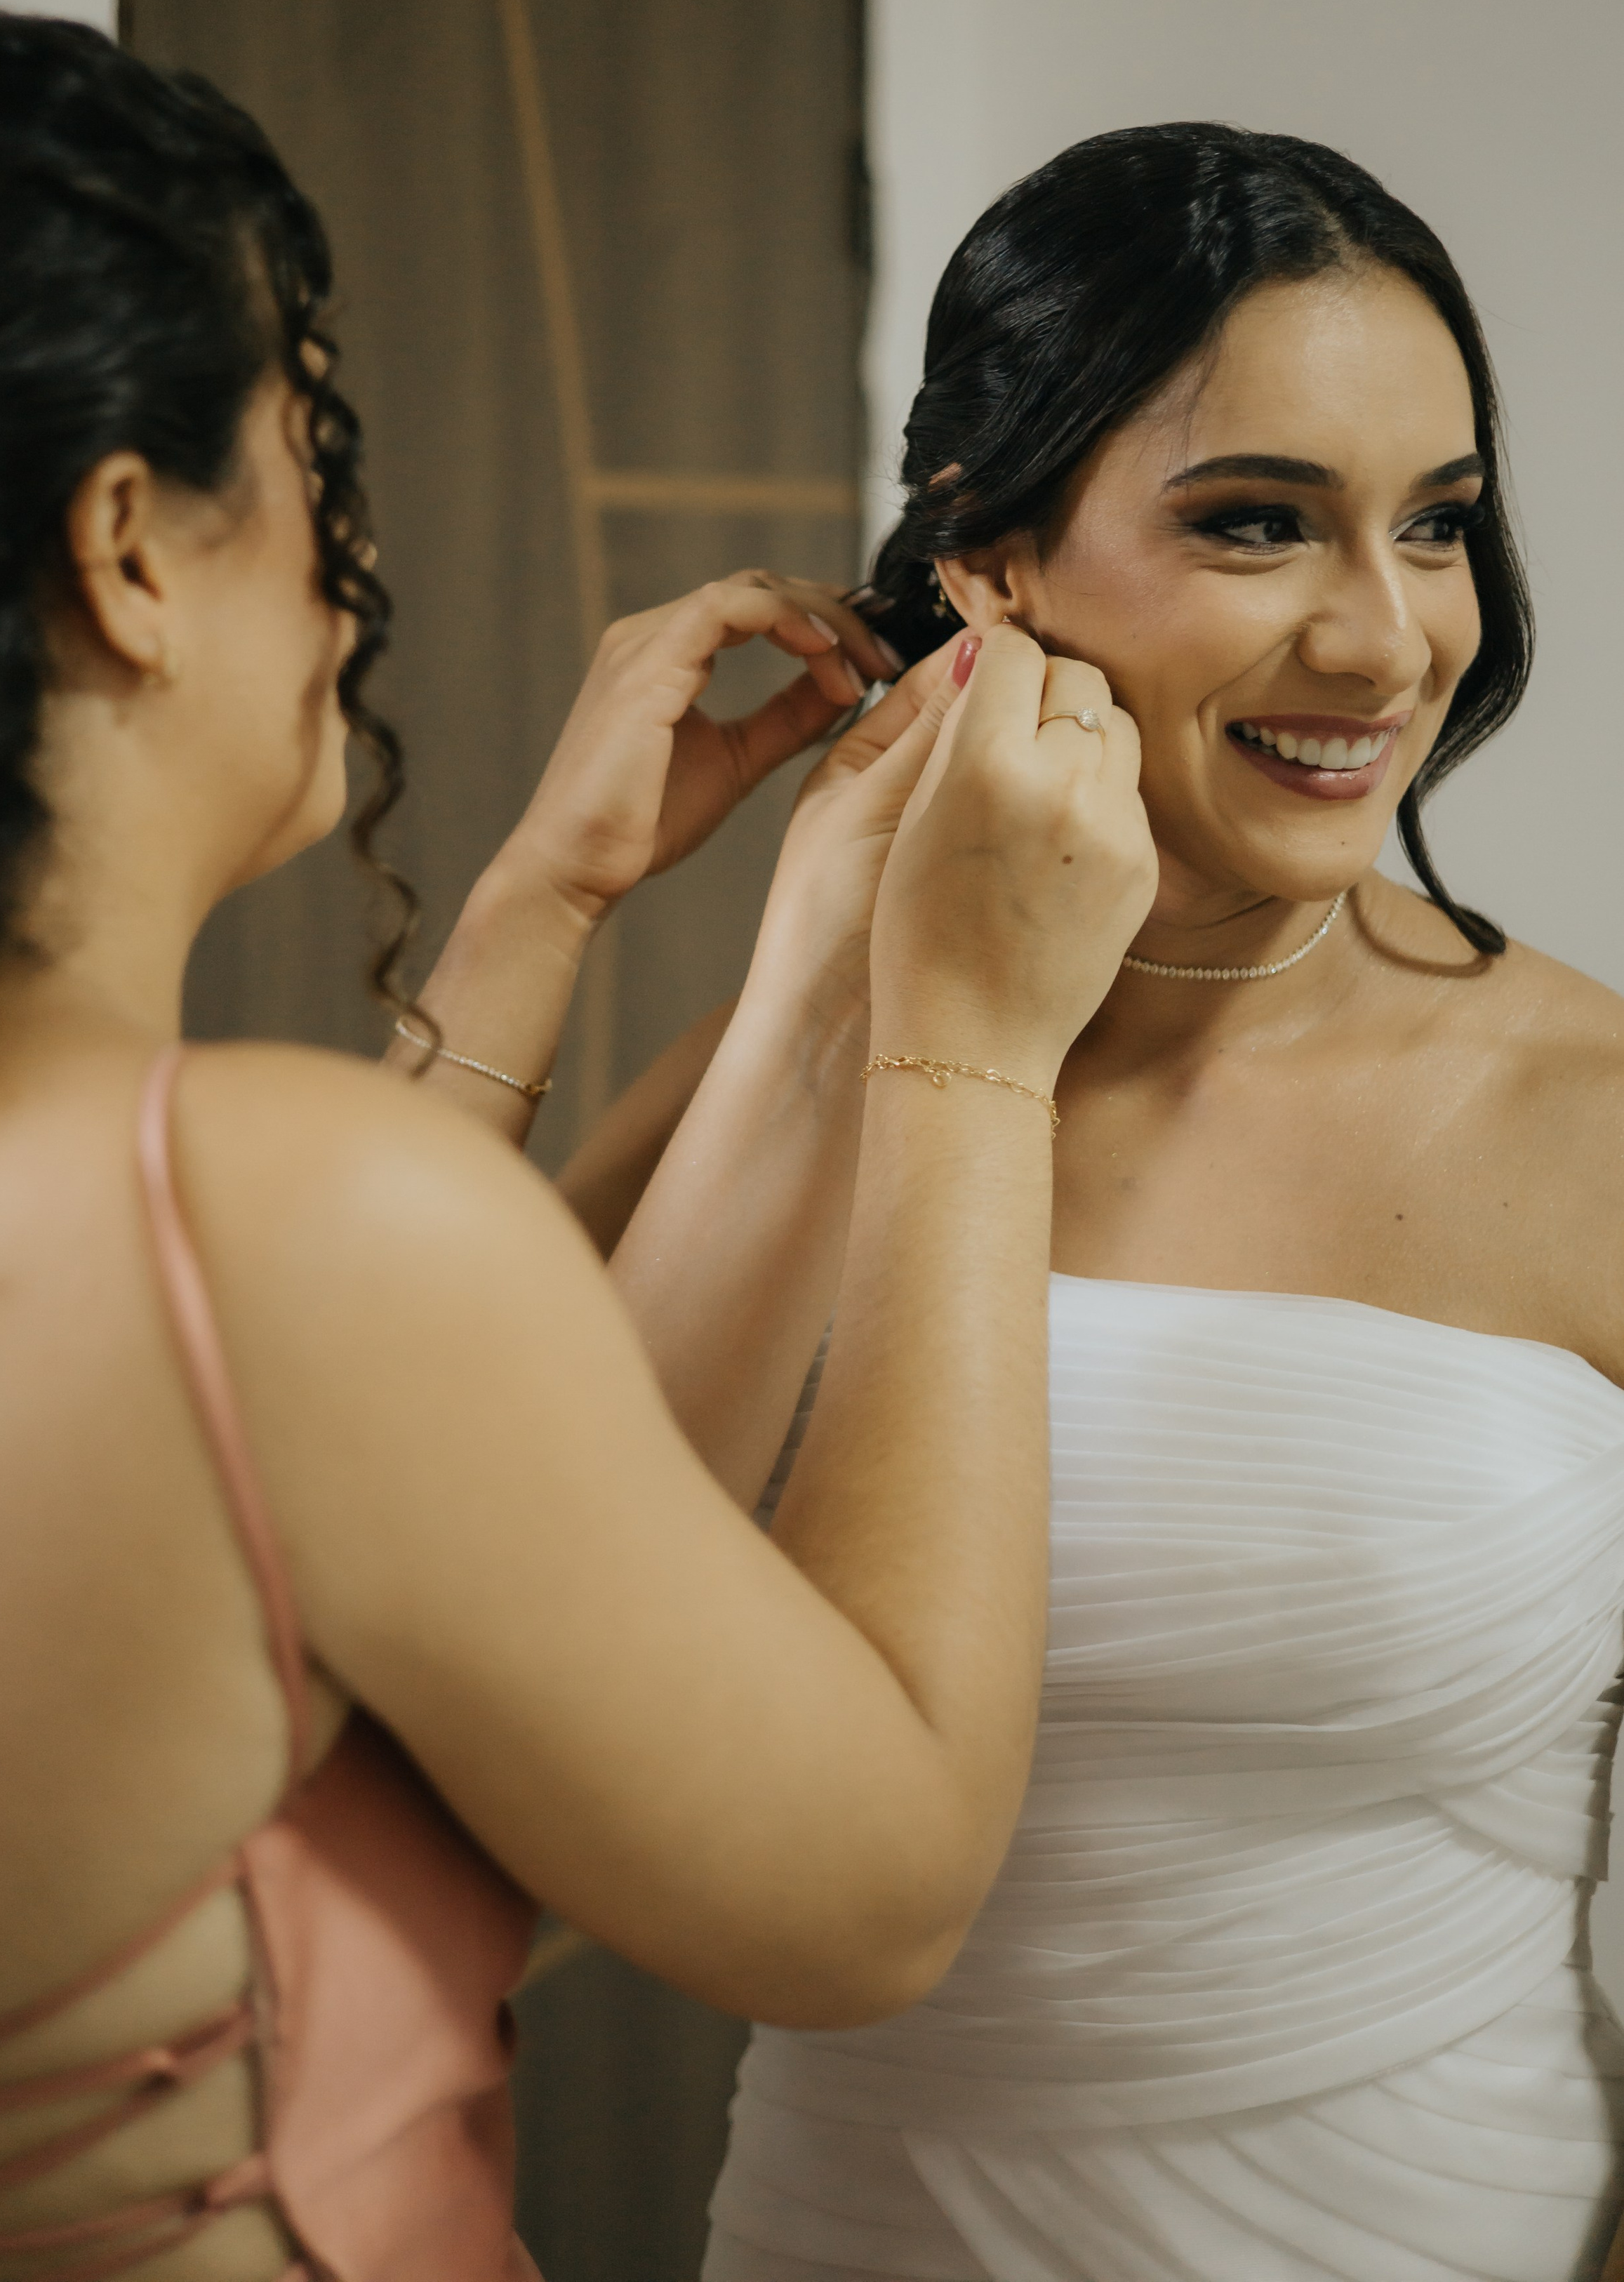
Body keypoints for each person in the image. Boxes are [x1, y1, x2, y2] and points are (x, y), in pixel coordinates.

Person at [0, 0, 1156, 2282]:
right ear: (133, 544)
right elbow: (878, 1879)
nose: (351, 576)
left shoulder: (78, 1232)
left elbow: (325, 1513)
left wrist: (548, 914)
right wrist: (963, 1042)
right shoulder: (298, 1242)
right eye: (312, 456)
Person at [578, 127, 1624, 2282]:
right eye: (1258, 524)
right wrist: (582, 922)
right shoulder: (792, 1066)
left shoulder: (1598, 1115)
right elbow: (457, 1649)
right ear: (988, 563)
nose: (1383, 638)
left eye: (1438, 528)